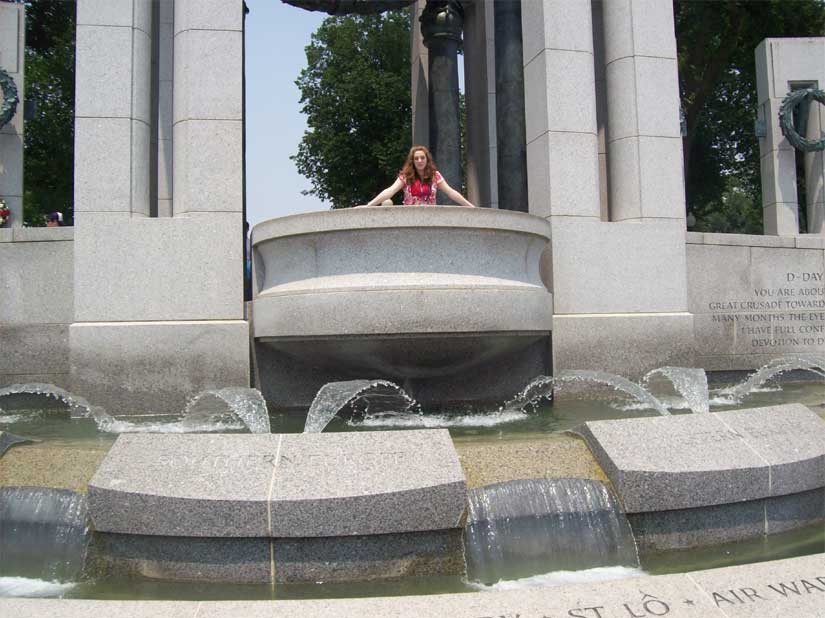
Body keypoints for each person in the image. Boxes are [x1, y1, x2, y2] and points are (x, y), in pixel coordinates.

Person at [363, 146, 475, 208]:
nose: (420, 161)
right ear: (412, 161)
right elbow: (390, 191)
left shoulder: (435, 175)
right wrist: (369, 205)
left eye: (422, 158)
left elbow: (451, 192)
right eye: (416, 158)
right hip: (410, 217)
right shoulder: (405, 176)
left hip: (430, 217)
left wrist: (471, 207)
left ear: (427, 159)